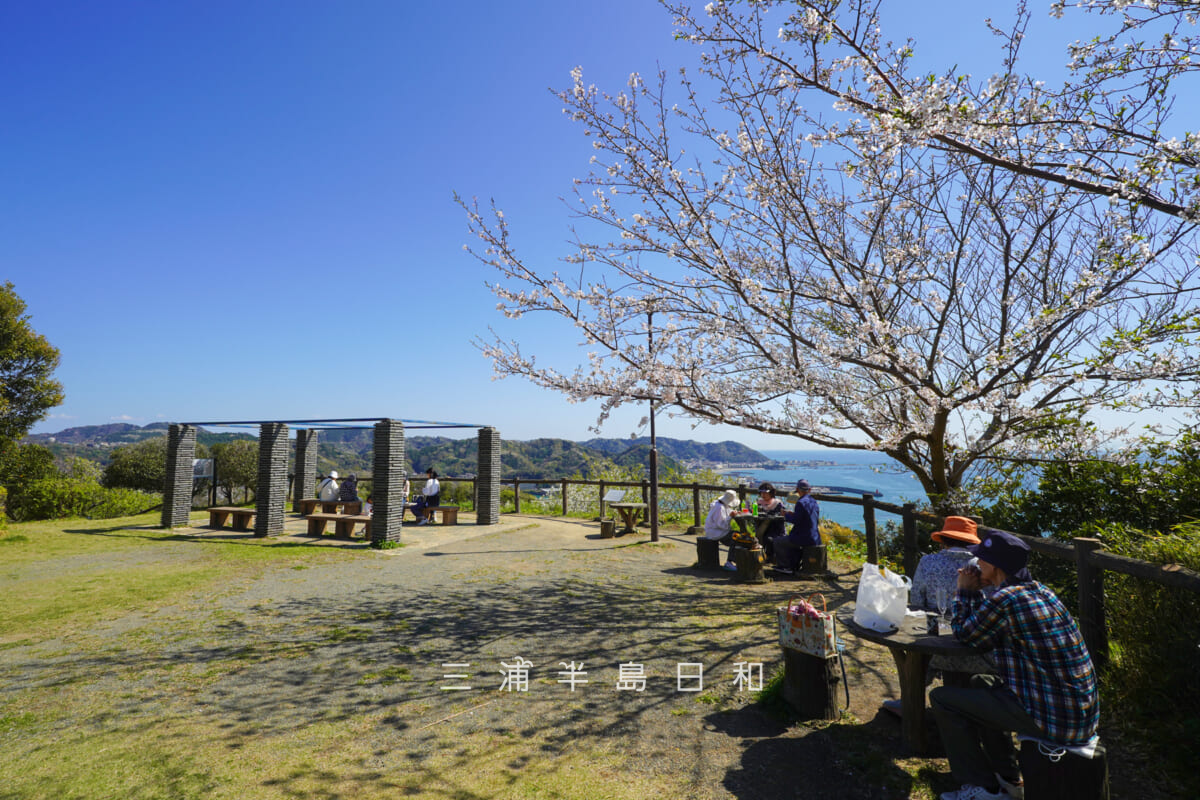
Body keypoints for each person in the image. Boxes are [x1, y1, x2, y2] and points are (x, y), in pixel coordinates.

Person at [930, 531, 1099, 800]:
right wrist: (974, 594)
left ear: (995, 567)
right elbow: (982, 628)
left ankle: (982, 788)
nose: (974, 566)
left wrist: (963, 590)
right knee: (980, 682)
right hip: (1075, 710)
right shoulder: (1040, 591)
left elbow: (966, 634)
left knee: (942, 698)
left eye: (980, 561)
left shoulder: (1007, 600)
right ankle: (1008, 777)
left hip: (1055, 719)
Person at [882, 516, 992, 716]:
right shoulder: (983, 566)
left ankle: (909, 702)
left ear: (944, 540)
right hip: (975, 634)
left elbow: (916, 601)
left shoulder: (928, 561)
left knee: (922, 644)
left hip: (935, 632)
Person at [769, 479, 820, 573]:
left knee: (777, 541)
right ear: (809, 490)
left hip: (803, 537)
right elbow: (807, 518)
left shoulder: (800, 503)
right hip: (815, 537)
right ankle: (793, 565)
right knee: (788, 540)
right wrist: (793, 514)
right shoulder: (813, 501)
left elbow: (796, 521)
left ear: (797, 489)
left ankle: (785, 566)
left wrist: (786, 515)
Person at [702, 489, 740, 571]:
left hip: (715, 530)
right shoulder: (719, 508)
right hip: (716, 532)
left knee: (738, 535)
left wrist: (733, 513)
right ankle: (729, 562)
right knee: (737, 537)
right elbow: (722, 525)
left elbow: (725, 515)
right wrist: (730, 517)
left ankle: (735, 560)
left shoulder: (719, 504)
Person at [753, 482, 788, 552]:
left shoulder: (777, 503)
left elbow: (782, 517)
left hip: (775, 530)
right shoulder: (759, 503)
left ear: (771, 493)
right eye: (762, 493)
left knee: (768, 539)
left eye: (766, 493)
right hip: (761, 528)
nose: (763, 495)